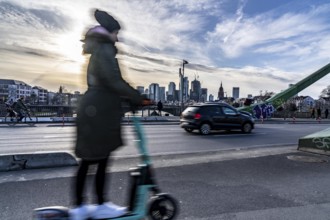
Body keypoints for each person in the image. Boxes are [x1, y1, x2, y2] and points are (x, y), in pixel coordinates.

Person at [70, 9, 150, 220]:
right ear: (109, 32)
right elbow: (113, 81)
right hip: (98, 113)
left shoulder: (99, 49)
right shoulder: (105, 49)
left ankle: (90, 205)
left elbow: (108, 83)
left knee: (95, 160)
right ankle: (90, 206)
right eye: (117, 33)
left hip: (97, 110)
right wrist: (138, 98)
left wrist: (129, 99)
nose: (118, 38)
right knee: (94, 161)